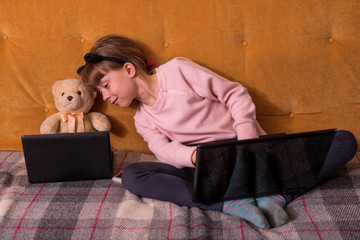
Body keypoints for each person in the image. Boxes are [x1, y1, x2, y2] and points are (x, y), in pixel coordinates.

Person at [77, 34, 358, 229]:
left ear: (128, 69)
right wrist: (195, 158)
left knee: (344, 140)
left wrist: (248, 139)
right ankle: (231, 206)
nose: (105, 96)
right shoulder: (143, 119)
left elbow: (234, 95)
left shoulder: (177, 71)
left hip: (251, 152)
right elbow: (163, 149)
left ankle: (277, 198)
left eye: (105, 85)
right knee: (134, 175)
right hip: (206, 167)